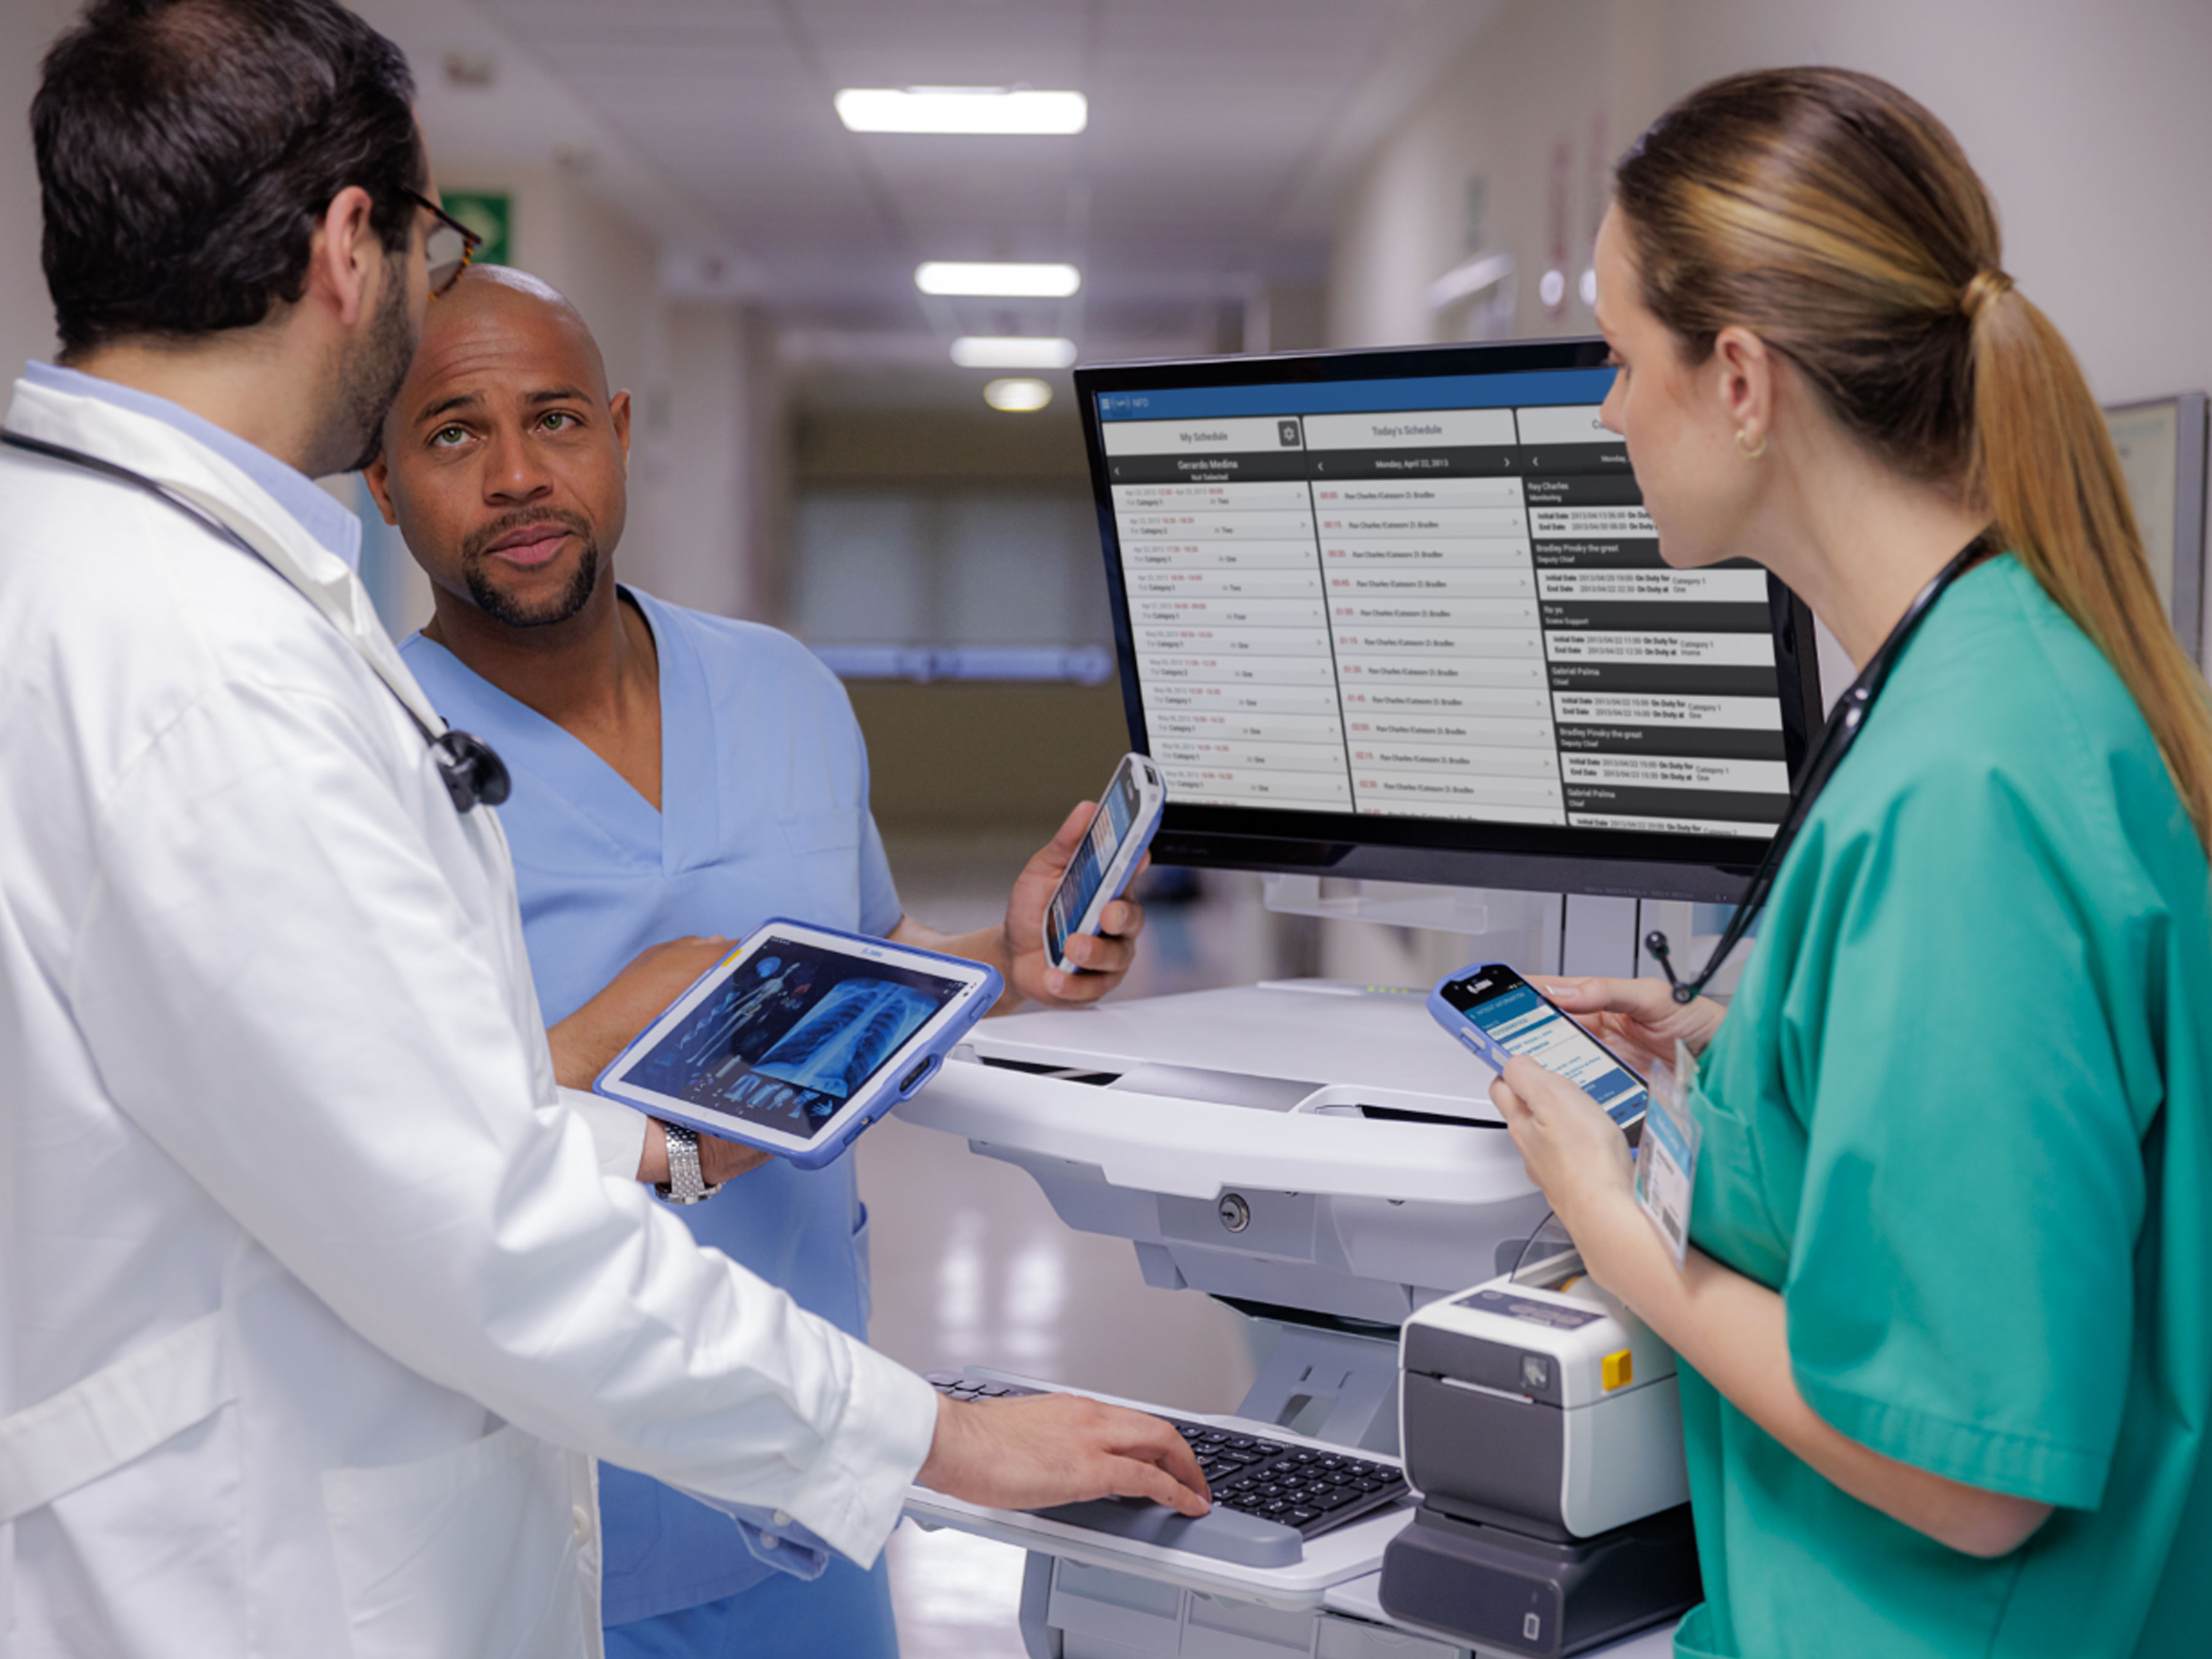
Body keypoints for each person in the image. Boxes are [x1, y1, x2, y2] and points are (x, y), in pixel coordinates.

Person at [0, 4, 1204, 1654]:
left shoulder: (86, 575)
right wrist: (931, 1431)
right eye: (430, 240)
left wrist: (665, 1122)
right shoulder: (211, 665)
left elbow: (374, 1132)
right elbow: (469, 1219)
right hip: (259, 1561)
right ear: (354, 248)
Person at [1484, 68, 2212, 1659]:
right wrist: (1750, 1052)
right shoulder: (1991, 673)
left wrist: (1625, 1239)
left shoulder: (1968, 785)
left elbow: (1968, 1477)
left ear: (1739, 378)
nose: (1608, 413)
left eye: (1620, 360)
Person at [360, 262, 1151, 1658]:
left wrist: (1004, 963)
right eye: (449, 434)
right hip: (544, 1520)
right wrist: (607, 1033)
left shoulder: (781, 686)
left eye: (553, 420)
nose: (513, 477)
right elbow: (375, 1155)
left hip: (813, 1484)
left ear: (616, 430)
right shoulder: (364, 754)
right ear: (380, 486)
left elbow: (869, 966)